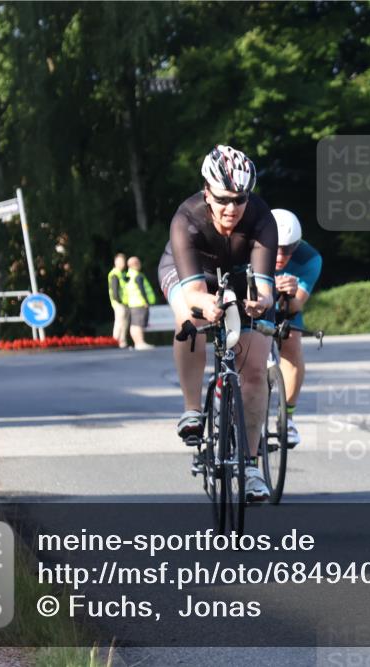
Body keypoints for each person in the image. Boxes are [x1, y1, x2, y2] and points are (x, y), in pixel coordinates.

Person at [158, 145, 277, 502]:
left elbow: (264, 289)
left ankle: (251, 464)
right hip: (192, 273)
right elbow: (194, 292)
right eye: (223, 199)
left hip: (242, 276)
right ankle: (192, 408)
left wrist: (257, 303)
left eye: (240, 199)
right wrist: (207, 304)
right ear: (207, 191)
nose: (232, 209)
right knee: (190, 319)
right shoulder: (187, 217)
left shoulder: (260, 218)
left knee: (255, 369)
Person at [271, 208, 322, 448]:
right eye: (276, 248)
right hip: (248, 301)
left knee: (291, 343)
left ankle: (287, 417)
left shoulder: (309, 258)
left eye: (288, 249)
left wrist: (288, 293)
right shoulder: (249, 246)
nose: (281, 255)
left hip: (284, 307)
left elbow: (296, 306)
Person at [124, 256, 156, 351]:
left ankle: (137, 343)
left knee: (134, 324)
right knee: (139, 324)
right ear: (136, 264)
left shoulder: (128, 275)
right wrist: (146, 301)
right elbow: (142, 290)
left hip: (132, 303)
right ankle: (140, 343)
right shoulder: (138, 275)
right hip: (140, 303)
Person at [108, 253, 130, 348]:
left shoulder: (122, 273)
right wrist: (119, 300)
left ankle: (122, 342)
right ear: (115, 262)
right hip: (119, 303)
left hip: (125, 302)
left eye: (123, 262)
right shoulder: (114, 273)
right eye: (120, 262)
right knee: (119, 322)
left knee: (125, 323)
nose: (122, 264)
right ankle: (115, 341)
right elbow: (114, 289)